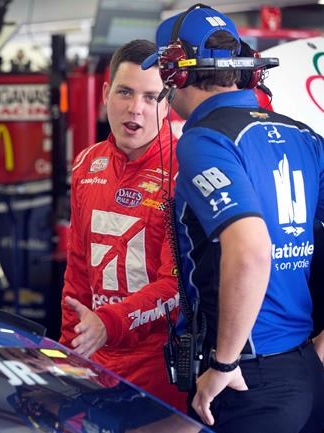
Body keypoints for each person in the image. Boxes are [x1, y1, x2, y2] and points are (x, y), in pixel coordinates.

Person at [142, 4, 324, 432]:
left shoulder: (205, 139)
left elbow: (252, 249)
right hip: (308, 372)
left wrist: (224, 363)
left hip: (247, 379)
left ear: (177, 72)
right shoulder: (304, 135)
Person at [59, 39, 186, 411]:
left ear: (168, 102)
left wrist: (108, 323)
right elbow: (78, 272)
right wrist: (69, 352)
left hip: (159, 372)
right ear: (105, 93)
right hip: (95, 362)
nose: (136, 109)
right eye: (125, 92)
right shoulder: (86, 164)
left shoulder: (185, 168)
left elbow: (176, 286)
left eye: (151, 96)